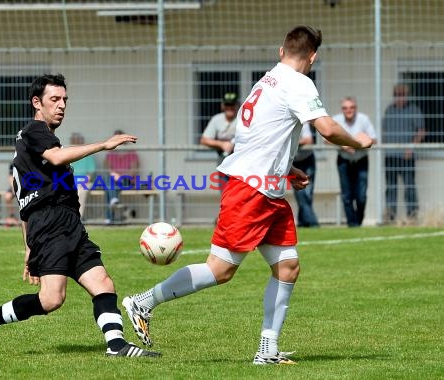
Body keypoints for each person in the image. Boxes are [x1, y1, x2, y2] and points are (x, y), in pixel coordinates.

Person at [122, 26, 372, 365]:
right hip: (250, 192)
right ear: (312, 57)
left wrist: (285, 169)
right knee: (220, 270)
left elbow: (257, 136)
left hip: (266, 190)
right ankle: (144, 301)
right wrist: (359, 142)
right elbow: (327, 129)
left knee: (287, 267)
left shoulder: (266, 79)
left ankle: (266, 350)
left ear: (282, 49)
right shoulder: (299, 83)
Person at [0, 74, 159, 358]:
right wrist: (103, 144)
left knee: (102, 282)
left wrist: (29, 246)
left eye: (65, 99)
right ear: (36, 103)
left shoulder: (35, 145)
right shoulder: (34, 131)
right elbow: (55, 159)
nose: (62, 105)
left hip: (66, 223)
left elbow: (24, 200)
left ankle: (117, 345)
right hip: (51, 225)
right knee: (52, 299)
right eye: (55, 99)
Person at [382, 83, 425, 223]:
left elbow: (421, 131)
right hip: (390, 156)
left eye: (402, 95)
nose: (399, 98)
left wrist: (411, 148)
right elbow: (384, 131)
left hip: (407, 156)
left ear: (407, 96)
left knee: (409, 186)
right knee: (391, 187)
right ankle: (390, 216)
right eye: (397, 95)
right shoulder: (389, 110)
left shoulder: (414, 110)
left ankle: (412, 216)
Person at [332, 97, 377, 227]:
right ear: (342, 110)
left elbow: (374, 139)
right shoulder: (336, 120)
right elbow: (327, 139)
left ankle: (358, 221)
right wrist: (344, 145)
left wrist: (357, 143)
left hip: (361, 160)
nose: (349, 111)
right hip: (343, 160)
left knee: (361, 196)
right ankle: (352, 225)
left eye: (351, 108)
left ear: (355, 108)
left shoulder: (364, 119)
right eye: (345, 108)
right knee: (346, 195)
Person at [201, 92, 239, 190]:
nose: (229, 108)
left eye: (232, 105)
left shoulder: (242, 119)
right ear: (223, 106)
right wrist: (222, 144)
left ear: (237, 106)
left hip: (240, 164)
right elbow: (204, 140)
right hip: (223, 162)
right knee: (225, 192)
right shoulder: (216, 120)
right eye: (227, 105)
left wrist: (233, 145)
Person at [104, 129, 140, 224]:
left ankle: (110, 218)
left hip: (127, 181)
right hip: (114, 180)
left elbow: (133, 170)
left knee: (109, 187)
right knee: (109, 182)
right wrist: (115, 175)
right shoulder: (110, 153)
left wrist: (121, 176)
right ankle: (115, 201)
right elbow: (108, 169)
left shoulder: (132, 153)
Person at [292, 123, 319, 227]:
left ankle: (303, 222)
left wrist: (294, 142)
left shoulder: (304, 124)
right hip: (292, 162)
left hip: (307, 160)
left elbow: (309, 140)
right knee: (300, 194)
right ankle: (313, 223)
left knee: (307, 194)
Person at [69, 132, 96, 220]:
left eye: (78, 141)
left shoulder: (87, 155)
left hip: (84, 181)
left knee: (81, 191)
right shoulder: (68, 153)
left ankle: (77, 218)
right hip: (71, 180)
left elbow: (91, 173)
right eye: (74, 141)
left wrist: (82, 181)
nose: (75, 143)